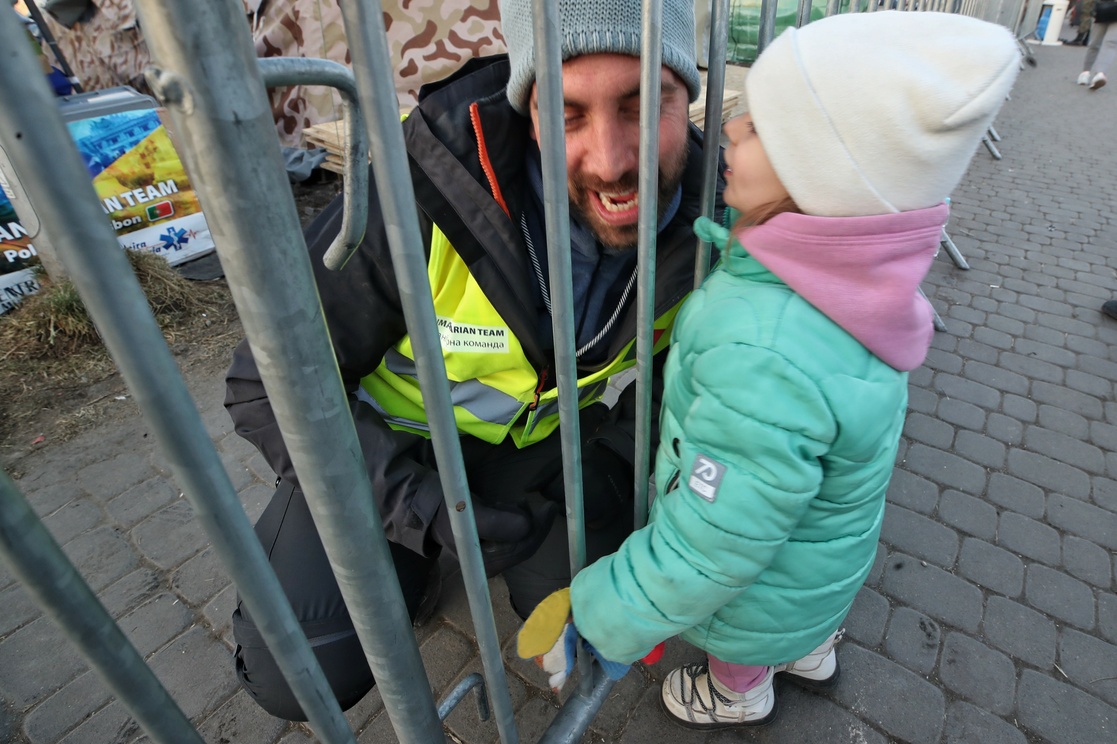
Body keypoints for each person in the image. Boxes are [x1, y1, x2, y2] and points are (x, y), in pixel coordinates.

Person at [223, 0, 724, 721]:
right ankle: (414, 558)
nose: (613, 161)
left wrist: (612, 467)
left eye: (645, 104)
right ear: (527, 109)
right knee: (297, 672)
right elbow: (264, 384)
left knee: (587, 594)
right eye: (567, 113)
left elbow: (690, 389)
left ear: (689, 93)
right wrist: (419, 511)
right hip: (384, 449)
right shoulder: (426, 184)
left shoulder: (715, 226)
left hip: (543, 453)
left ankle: (491, 541)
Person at [540, 10, 1018, 730]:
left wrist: (605, 612)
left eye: (761, 127)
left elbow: (713, 543)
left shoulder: (765, 348)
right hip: (815, 567)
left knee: (747, 630)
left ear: (823, 174)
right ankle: (808, 649)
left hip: (760, 591)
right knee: (796, 598)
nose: (729, 128)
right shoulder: (858, 290)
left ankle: (740, 690)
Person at [1077, 0, 1116, 89]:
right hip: (1101, 8)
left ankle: (1100, 73)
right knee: (1095, 43)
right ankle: (1086, 72)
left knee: (1111, 43)